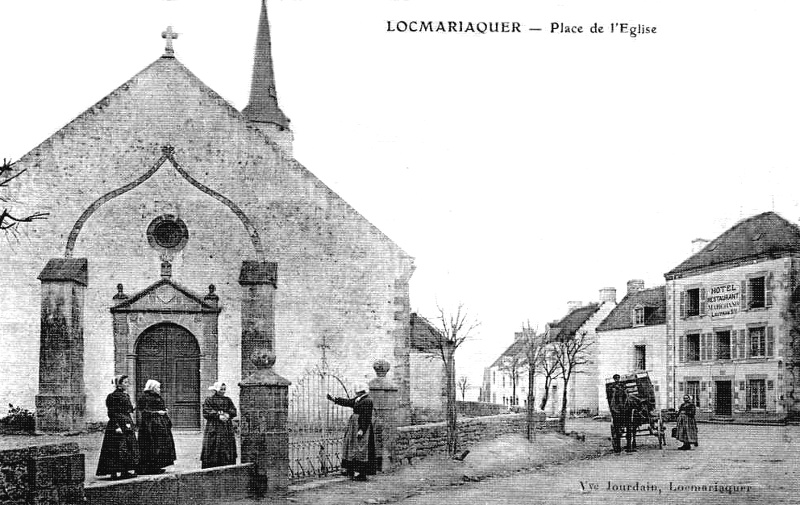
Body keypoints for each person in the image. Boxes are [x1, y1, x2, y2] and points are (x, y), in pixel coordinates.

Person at [326, 382, 376, 481]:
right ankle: (351, 469)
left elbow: (366, 416)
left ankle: (362, 474)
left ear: (361, 392)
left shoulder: (367, 400)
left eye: (357, 391)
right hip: (354, 425)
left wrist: (362, 429)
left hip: (360, 425)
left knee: (361, 448)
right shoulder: (359, 399)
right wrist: (335, 400)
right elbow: (348, 402)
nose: (356, 393)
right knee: (351, 445)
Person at [96, 375, 140, 479]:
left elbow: (128, 409)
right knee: (115, 448)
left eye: (127, 382)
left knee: (128, 447)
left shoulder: (126, 395)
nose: (127, 384)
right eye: (125, 382)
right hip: (117, 423)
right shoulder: (112, 396)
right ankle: (113, 472)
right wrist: (117, 426)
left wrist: (134, 407)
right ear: (119, 384)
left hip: (127, 422)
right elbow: (112, 412)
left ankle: (125, 470)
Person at [136, 379, 177, 474]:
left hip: (159, 424)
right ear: (152, 388)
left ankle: (157, 466)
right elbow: (143, 412)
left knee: (160, 445)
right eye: (158, 387)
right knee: (151, 446)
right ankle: (148, 468)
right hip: (149, 426)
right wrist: (157, 412)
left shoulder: (157, 397)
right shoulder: (145, 397)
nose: (159, 389)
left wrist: (163, 411)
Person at [201, 381, 238, 469]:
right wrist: (218, 416)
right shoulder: (209, 400)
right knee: (213, 444)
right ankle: (212, 465)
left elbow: (233, 410)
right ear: (216, 390)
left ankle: (227, 464)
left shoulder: (228, 400)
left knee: (226, 444)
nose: (223, 391)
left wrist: (228, 414)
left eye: (224, 389)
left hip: (226, 426)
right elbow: (206, 411)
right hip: (214, 426)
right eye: (221, 389)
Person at [608, 374, 628, 453]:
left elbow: (625, 392)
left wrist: (622, 390)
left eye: (618, 378)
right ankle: (618, 447)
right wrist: (613, 389)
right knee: (616, 429)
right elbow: (609, 391)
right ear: (614, 379)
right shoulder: (612, 385)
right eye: (615, 378)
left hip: (622, 403)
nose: (617, 379)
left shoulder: (622, 384)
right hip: (615, 404)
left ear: (619, 378)